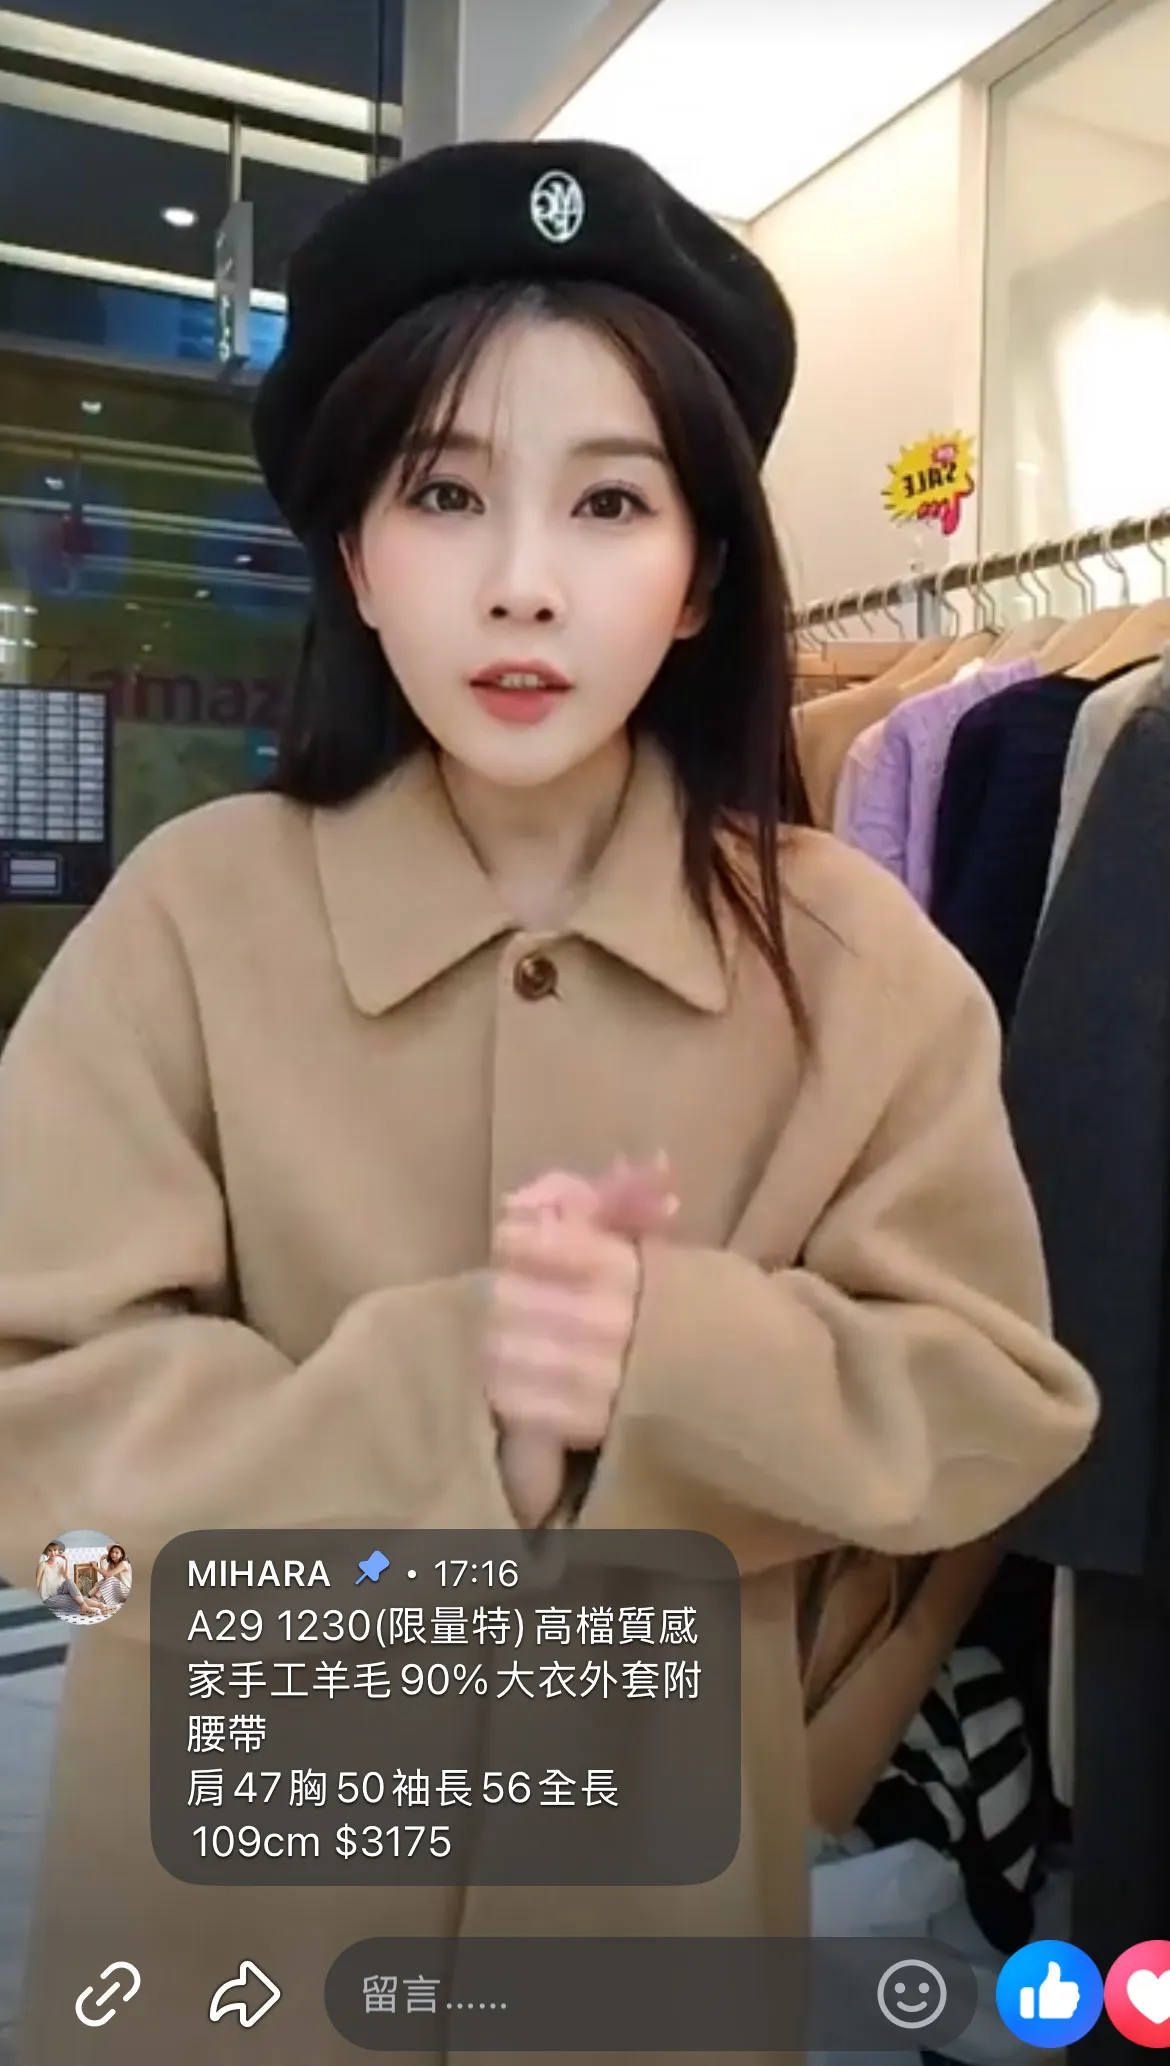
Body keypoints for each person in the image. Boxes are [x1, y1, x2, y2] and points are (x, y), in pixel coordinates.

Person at [0, 140, 1096, 2064]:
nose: (522, 584)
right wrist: (456, 1410)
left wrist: (679, 1359)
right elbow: (36, 1426)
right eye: (445, 493)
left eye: (610, 501)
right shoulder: (190, 918)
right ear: (357, 553)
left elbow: (995, 1403)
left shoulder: (856, 961)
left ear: (700, 578)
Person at [88, 1543, 131, 1613]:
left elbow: (108, 1575)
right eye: (112, 1552)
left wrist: (95, 1567)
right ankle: (89, 1596)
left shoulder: (123, 1563)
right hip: (118, 1591)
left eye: (117, 1553)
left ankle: (94, 1598)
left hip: (127, 1592)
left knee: (111, 1579)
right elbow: (105, 1576)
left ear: (121, 1555)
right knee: (105, 1580)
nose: (113, 1554)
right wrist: (101, 1561)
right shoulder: (112, 1564)